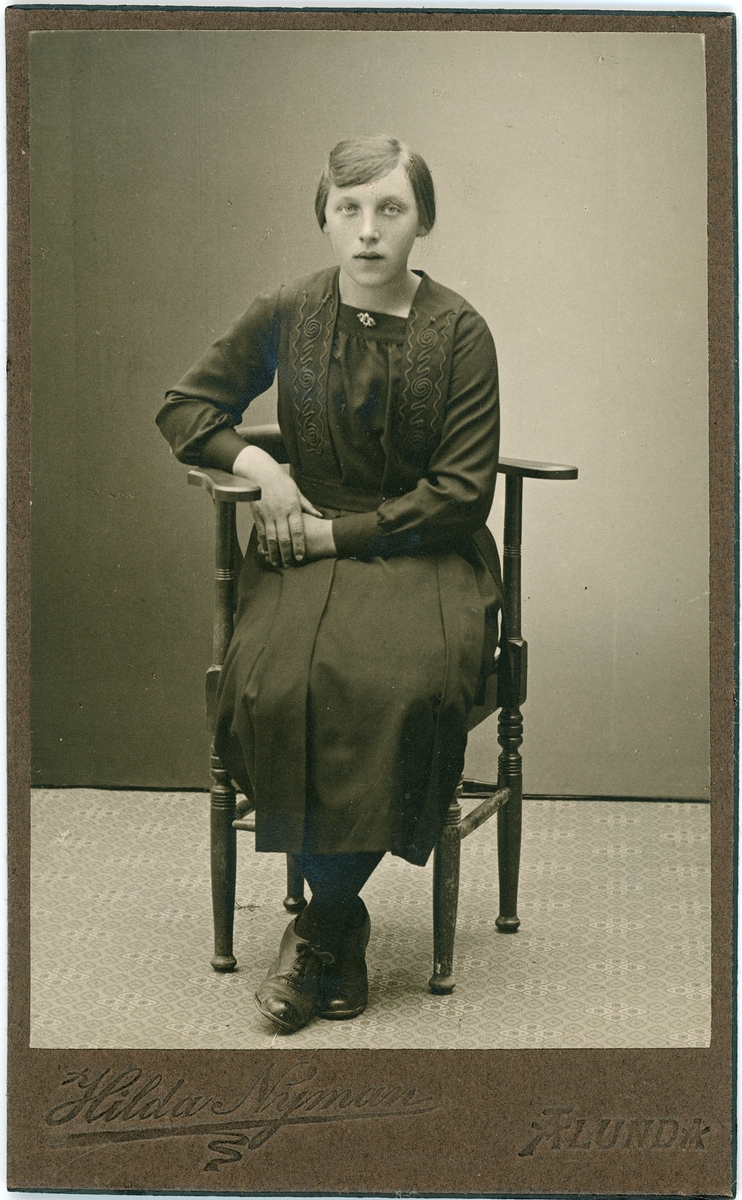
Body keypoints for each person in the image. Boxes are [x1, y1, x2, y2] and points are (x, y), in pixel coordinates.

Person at [156, 135, 503, 1034]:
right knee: (271, 685)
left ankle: (322, 926)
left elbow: (461, 493)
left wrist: (334, 536)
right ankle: (337, 924)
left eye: (390, 208)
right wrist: (261, 469)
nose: (368, 230)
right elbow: (185, 408)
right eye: (349, 209)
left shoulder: (461, 331)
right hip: (298, 542)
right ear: (325, 217)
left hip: (425, 552)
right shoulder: (289, 309)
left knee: (402, 686)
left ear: (423, 220)